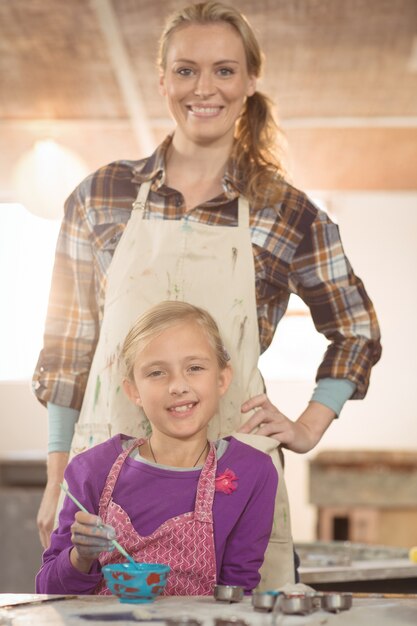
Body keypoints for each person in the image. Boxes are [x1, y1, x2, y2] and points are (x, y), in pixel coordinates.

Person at [32, 0, 381, 586]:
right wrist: (56, 477)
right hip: (111, 475)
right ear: (163, 80)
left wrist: (308, 426)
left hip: (231, 479)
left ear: (249, 82)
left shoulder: (285, 211)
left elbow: (356, 327)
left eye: (224, 70)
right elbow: (68, 347)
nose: (205, 88)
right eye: (187, 69)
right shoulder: (101, 196)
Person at [35, 302, 278, 595]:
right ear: (134, 391)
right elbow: (47, 588)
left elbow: (238, 592)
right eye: (156, 373)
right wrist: (81, 556)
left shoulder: (252, 471)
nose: (178, 385)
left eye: (195, 368)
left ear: (222, 379)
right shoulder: (90, 469)